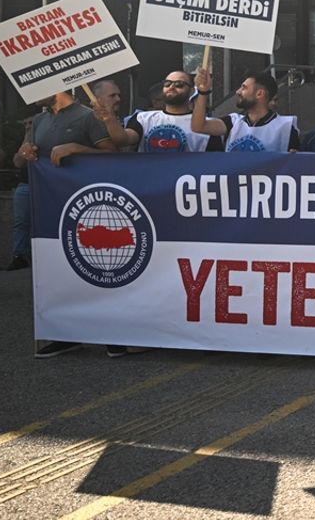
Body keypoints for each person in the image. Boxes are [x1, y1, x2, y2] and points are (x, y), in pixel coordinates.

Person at [13, 91, 117, 358]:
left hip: (88, 205)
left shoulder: (87, 116)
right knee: (59, 272)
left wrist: (76, 148)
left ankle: (113, 333)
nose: (32, 93)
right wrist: (24, 153)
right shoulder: (38, 120)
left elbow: (112, 155)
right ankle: (66, 334)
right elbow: (18, 160)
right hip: (51, 206)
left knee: (100, 270)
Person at [94, 71, 219, 153]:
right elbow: (123, 139)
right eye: (167, 83)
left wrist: (203, 91)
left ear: (191, 91)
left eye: (179, 84)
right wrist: (109, 120)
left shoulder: (207, 125)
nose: (171, 87)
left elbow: (215, 163)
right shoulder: (142, 118)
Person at [191, 68, 300, 152]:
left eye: (244, 88)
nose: (238, 92)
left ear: (259, 94)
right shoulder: (233, 122)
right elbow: (198, 127)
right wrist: (203, 92)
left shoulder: (286, 128)